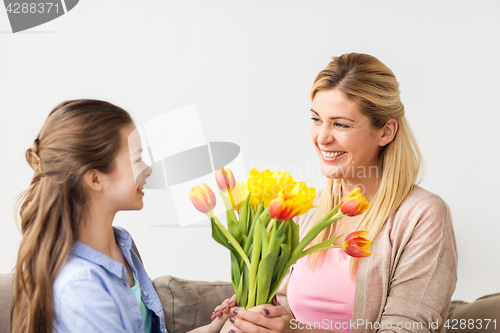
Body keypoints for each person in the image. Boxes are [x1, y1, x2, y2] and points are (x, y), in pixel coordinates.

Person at [213, 53, 458, 333]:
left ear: (386, 132)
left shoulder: (422, 215)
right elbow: (286, 310)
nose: (322, 137)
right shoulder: (306, 210)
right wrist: (257, 309)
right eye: (317, 120)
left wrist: (294, 331)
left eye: (340, 124)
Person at [10, 99, 233, 333]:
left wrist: (214, 328)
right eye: (137, 159)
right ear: (95, 179)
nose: (147, 169)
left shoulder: (122, 244)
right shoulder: (81, 286)